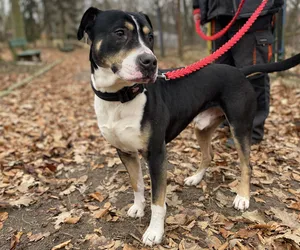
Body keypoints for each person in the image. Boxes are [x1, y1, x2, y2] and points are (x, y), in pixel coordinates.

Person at [192, 0, 284, 145]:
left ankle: (252, 132)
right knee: (223, 74)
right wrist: (198, 7)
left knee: (253, 73)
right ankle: (228, 121)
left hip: (253, 10)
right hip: (218, 12)